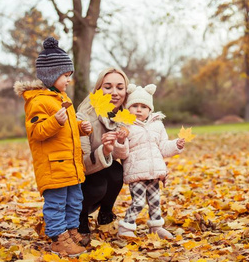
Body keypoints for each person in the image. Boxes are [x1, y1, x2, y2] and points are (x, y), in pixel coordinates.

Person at [14, 37, 92, 257]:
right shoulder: (37, 101)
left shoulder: (61, 98)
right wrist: (55, 122)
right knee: (57, 203)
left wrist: (80, 127)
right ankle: (58, 238)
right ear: (51, 74)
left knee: (74, 201)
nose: (68, 80)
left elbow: (68, 128)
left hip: (70, 165)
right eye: (66, 76)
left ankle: (71, 231)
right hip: (54, 165)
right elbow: (36, 131)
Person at [116, 84, 185, 240]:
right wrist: (120, 140)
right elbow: (122, 153)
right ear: (128, 108)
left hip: (154, 173)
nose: (139, 110)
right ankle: (126, 226)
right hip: (136, 173)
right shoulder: (125, 126)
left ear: (150, 109)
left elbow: (163, 147)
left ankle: (156, 227)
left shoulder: (157, 125)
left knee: (155, 202)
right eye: (134, 106)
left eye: (143, 106)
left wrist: (175, 145)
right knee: (139, 202)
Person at [75, 67, 130, 245]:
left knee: (117, 172)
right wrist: (105, 151)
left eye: (120, 87)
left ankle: (106, 214)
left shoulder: (125, 117)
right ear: (98, 90)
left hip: (104, 171)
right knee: (99, 183)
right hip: (82, 178)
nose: (115, 92)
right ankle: (79, 218)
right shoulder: (84, 118)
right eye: (108, 87)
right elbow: (81, 164)